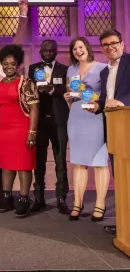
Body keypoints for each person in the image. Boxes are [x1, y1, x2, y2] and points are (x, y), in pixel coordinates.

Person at [0, 0, 29, 199]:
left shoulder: (7, 61)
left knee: (7, 152)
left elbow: (18, 37)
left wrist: (23, 12)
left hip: (10, 109)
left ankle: (10, 191)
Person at [88, 29, 130, 236]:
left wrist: (124, 102)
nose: (110, 47)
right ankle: (124, 223)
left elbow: (122, 98)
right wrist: (97, 105)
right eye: (105, 45)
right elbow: (107, 99)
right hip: (113, 127)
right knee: (120, 176)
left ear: (122, 43)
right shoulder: (105, 71)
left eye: (114, 43)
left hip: (128, 123)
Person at [0, 45, 39, 218]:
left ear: (18, 64)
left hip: (22, 129)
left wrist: (32, 132)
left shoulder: (26, 83)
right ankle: (6, 196)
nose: (9, 67)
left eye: (13, 64)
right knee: (6, 165)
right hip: (3, 130)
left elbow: (34, 109)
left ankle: (24, 199)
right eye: (5, 64)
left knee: (24, 166)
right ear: (1, 65)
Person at [64, 37, 109, 221]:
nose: (78, 51)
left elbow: (107, 94)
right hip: (76, 116)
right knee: (78, 162)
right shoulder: (71, 69)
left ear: (87, 48)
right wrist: (68, 97)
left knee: (99, 161)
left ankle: (100, 204)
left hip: (94, 117)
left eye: (80, 47)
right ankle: (77, 203)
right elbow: (72, 94)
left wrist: (93, 97)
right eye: (74, 49)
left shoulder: (101, 67)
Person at [28, 40, 70, 214]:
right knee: (39, 160)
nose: (47, 52)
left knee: (60, 160)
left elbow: (68, 90)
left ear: (56, 51)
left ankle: (61, 197)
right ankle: (39, 197)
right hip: (40, 120)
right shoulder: (33, 68)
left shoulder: (65, 69)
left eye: (51, 50)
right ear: (40, 51)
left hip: (59, 119)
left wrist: (52, 89)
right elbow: (30, 90)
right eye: (44, 50)